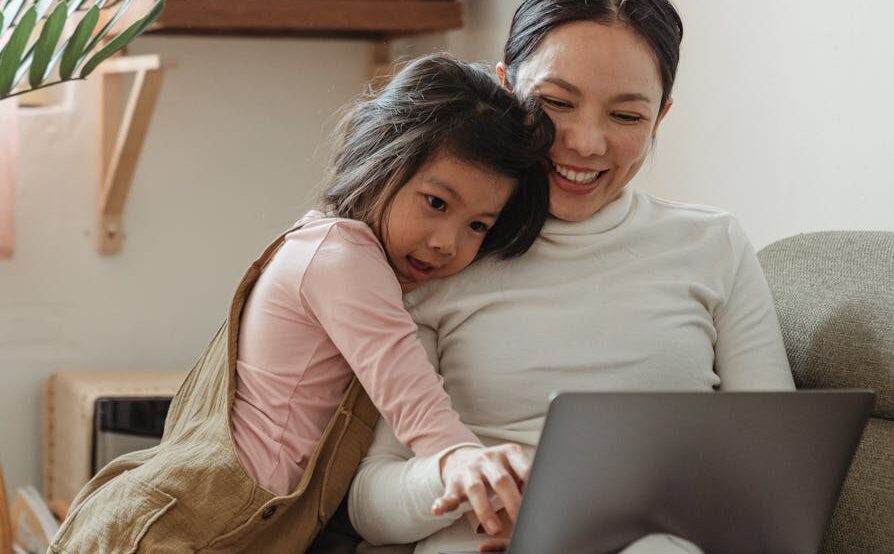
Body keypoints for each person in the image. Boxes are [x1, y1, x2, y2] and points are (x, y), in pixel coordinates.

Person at [48, 54, 552, 553]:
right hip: (168, 533)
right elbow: (410, 392)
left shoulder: (329, 249)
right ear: (381, 163)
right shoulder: (343, 257)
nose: (448, 242)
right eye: (436, 203)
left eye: (477, 226)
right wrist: (464, 459)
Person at [346, 2, 796, 554]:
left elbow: (780, 478)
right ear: (505, 88)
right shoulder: (446, 254)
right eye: (556, 103)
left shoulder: (715, 245)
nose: (586, 142)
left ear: (661, 117)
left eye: (627, 116)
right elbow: (370, 504)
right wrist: (461, 476)